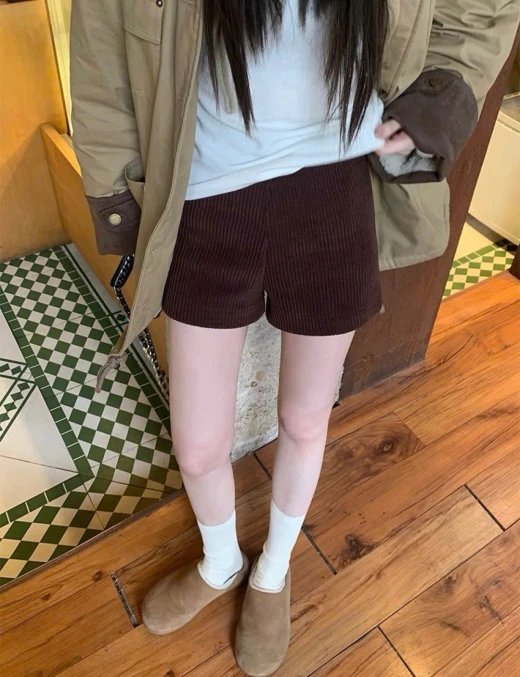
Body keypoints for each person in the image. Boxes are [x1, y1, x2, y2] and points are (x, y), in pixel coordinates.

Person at [70, 1, 519, 674]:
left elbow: (485, 8)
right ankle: (220, 561)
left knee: (306, 419)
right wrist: (115, 195)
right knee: (198, 444)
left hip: (336, 191)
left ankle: (274, 569)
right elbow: (100, 50)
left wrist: (441, 97)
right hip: (205, 193)